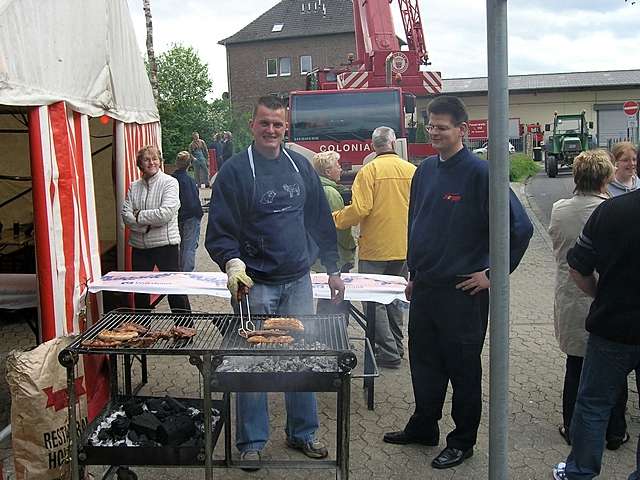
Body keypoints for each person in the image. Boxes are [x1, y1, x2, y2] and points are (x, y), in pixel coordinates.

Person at [383, 96, 533, 469]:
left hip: (463, 292)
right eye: (430, 125)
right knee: (424, 363)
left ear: (462, 130)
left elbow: (521, 228)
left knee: (463, 369)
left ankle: (462, 441)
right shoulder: (425, 171)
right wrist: (413, 274)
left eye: (442, 127)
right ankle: (423, 426)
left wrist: (493, 275)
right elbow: (417, 223)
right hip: (426, 289)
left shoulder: (481, 174)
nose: (434, 132)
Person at [205, 95, 345, 467]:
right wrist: (233, 265)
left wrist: (332, 269)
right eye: (264, 123)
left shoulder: (300, 168)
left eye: (277, 124)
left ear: (286, 128)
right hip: (255, 286)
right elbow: (219, 231)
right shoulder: (235, 172)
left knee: (301, 358)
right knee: (251, 365)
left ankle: (303, 433)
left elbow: (320, 221)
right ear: (252, 125)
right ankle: (251, 442)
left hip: (298, 281)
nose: (271, 130)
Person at [552, 188, 640, 480]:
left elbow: (577, 266)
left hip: (612, 326)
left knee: (593, 404)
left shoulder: (611, 211)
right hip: (613, 327)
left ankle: (580, 472)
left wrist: (600, 295)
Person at [548, 150, 629, 449]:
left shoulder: (559, 209)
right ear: (606, 177)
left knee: (575, 367)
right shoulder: (612, 209)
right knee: (615, 370)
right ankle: (614, 430)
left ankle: (572, 426)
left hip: (570, 296)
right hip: (606, 297)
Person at [333, 126, 416, 368]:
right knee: (395, 297)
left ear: (373, 145)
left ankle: (387, 351)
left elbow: (360, 210)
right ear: (393, 143)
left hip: (376, 248)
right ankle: (398, 347)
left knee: (373, 301)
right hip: (404, 246)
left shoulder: (369, 172)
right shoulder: (412, 170)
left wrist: (334, 219)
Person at [121, 145, 191, 311]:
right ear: (140, 164)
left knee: (175, 291)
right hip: (139, 247)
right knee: (140, 293)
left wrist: (138, 216)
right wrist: (144, 227)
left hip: (165, 246)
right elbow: (125, 215)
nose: (151, 162)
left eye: (154, 159)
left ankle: (185, 331)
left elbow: (165, 214)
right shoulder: (134, 186)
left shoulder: (170, 183)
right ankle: (142, 331)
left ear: (160, 162)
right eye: (146, 159)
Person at [310, 151, 356, 315]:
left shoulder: (316, 188)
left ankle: (324, 337)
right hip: (336, 256)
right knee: (336, 303)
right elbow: (339, 228)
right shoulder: (332, 193)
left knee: (325, 299)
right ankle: (335, 337)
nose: (340, 169)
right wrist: (350, 248)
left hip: (320, 254)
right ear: (328, 171)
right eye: (337, 166)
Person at [172, 151, 204, 272]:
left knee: (179, 246)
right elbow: (195, 196)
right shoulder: (191, 181)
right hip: (192, 215)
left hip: (178, 216)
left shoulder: (171, 180)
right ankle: (186, 274)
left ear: (176, 163)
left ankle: (179, 271)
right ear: (189, 164)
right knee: (189, 247)